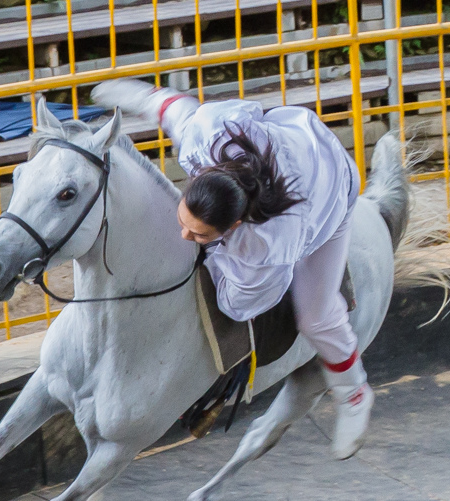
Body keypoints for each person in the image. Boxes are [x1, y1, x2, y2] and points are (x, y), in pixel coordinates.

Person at [92, 78, 371, 460]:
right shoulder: (208, 136)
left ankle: (353, 391)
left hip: (331, 185)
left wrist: (216, 257)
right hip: (292, 136)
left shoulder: (268, 244)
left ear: (234, 228)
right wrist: (151, 100)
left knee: (316, 314)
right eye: (184, 220)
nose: (184, 234)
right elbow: (181, 112)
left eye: (199, 234)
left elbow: (237, 305)